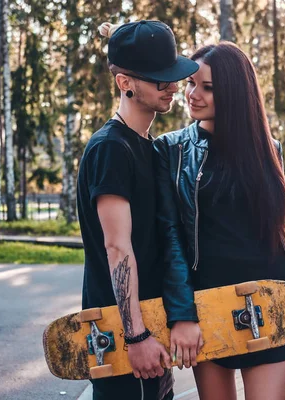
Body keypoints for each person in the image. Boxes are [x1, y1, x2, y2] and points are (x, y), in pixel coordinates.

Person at [153, 42, 285, 400]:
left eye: (208, 87)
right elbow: (170, 239)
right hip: (208, 306)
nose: (192, 94)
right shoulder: (171, 150)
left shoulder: (268, 148)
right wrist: (182, 314)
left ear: (235, 92)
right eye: (190, 84)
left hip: (267, 302)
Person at [77, 20, 198, 400]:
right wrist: (137, 337)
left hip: (148, 332)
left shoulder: (146, 146)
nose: (174, 87)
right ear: (124, 83)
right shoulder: (111, 149)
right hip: (121, 338)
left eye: (173, 77)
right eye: (160, 80)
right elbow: (117, 249)